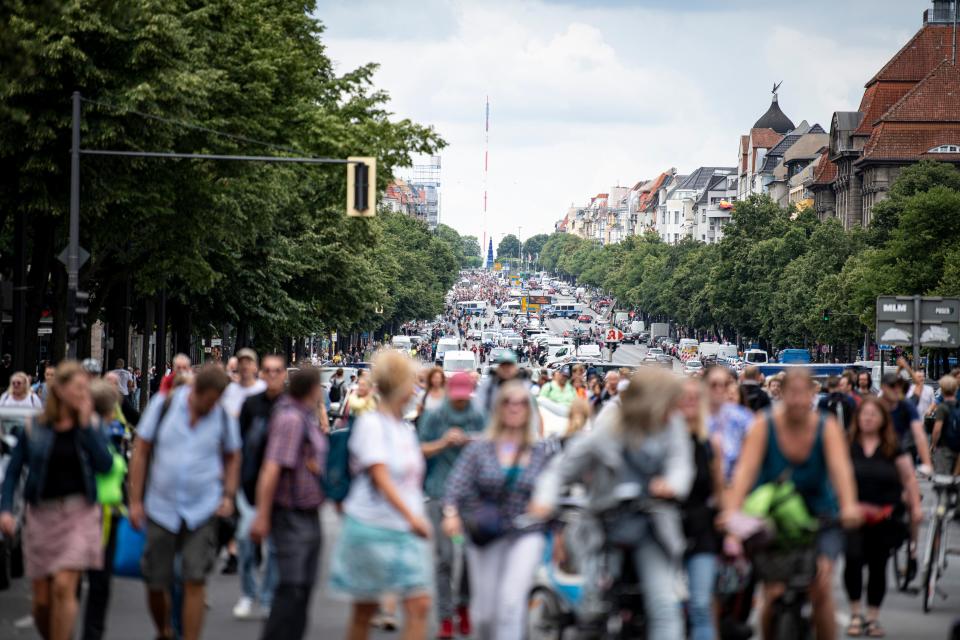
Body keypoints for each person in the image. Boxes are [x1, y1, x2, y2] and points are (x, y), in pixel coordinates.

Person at [531, 369, 693, 640]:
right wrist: (544, 500)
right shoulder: (610, 425)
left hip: (651, 525)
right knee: (594, 603)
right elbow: (562, 469)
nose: (674, 409)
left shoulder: (672, 426)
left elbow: (681, 465)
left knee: (663, 602)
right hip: (606, 522)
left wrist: (672, 486)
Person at [723, 368, 860, 640]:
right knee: (772, 593)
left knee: (820, 590)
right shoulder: (764, 425)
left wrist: (849, 506)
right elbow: (745, 473)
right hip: (774, 518)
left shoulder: (826, 427)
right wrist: (732, 513)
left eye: (803, 394)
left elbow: (841, 471)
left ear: (813, 394)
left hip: (821, 516)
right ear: (781, 393)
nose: (797, 401)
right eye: (791, 394)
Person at [0, 361, 114, 640]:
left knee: (64, 586)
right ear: (60, 390)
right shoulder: (34, 427)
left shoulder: (91, 424)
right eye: (78, 388)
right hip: (41, 515)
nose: (83, 394)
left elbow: (105, 465)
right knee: (42, 602)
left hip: (79, 512)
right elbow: (13, 472)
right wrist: (5, 510)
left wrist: (87, 427)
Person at [127, 364, 241, 640]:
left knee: (194, 578)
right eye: (210, 400)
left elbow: (233, 455)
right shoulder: (163, 405)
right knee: (156, 581)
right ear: (196, 392)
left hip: (202, 509)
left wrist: (227, 495)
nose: (213, 406)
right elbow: (141, 451)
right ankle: (164, 629)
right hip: (161, 507)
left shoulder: (222, 416)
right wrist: (135, 500)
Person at [329, 350, 432, 640]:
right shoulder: (372, 425)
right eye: (411, 383)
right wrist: (413, 517)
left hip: (403, 531)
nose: (414, 390)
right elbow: (380, 475)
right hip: (371, 527)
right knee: (364, 612)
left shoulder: (404, 429)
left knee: (419, 604)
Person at [444, 380, 555, 640]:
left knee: (511, 605)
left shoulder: (541, 451)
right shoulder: (480, 448)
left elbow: (554, 488)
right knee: (484, 614)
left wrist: (545, 505)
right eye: (508, 402)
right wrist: (451, 515)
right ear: (498, 408)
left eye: (521, 403)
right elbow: (455, 486)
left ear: (529, 410)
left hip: (527, 532)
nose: (514, 408)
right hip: (487, 530)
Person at [249, 366, 328, 639]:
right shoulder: (291, 419)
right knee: (291, 588)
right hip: (291, 513)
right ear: (312, 389)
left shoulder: (305, 417)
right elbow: (272, 468)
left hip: (309, 511)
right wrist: (262, 515)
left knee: (303, 588)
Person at [843, 396, 922, 638]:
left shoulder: (892, 446)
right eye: (864, 414)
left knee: (879, 567)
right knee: (853, 562)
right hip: (854, 515)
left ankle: (873, 617)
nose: (867, 418)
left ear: (882, 420)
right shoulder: (847, 444)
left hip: (885, 516)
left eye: (873, 414)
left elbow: (908, 478)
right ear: (857, 418)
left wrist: (915, 505)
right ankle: (856, 613)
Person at [419, 372, 486, 638]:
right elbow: (421, 447)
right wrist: (444, 441)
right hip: (440, 491)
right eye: (455, 398)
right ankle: (445, 615)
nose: (459, 403)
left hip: (470, 495)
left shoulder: (478, 415)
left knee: (470, 555)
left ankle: (464, 606)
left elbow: (490, 444)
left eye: (463, 399)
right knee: (445, 557)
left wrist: (469, 440)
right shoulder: (436, 415)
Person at [231, 354, 287, 620]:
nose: (272, 375)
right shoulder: (250, 404)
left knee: (275, 547)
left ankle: (267, 597)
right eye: (268, 371)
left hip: (280, 488)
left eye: (277, 370)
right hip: (250, 485)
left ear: (284, 374)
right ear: (262, 374)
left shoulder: (289, 406)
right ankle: (248, 593)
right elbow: (237, 446)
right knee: (245, 540)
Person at [83, 379, 128, 640]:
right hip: (99, 513)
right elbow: (107, 464)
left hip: (102, 512)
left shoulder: (95, 429)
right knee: (99, 580)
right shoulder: (97, 432)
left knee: (90, 579)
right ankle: (92, 633)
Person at [705, 366, 754, 483]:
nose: (719, 389)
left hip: (736, 480)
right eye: (714, 385)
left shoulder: (743, 417)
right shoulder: (696, 416)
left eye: (724, 385)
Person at [879, 372, 932, 470]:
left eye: (899, 387)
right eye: (892, 386)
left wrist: (927, 463)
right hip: (879, 453)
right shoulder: (876, 405)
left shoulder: (907, 405)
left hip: (902, 450)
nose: (895, 390)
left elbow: (919, 433)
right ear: (883, 388)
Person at [221, 348, 267, 418]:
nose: (245, 366)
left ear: (256, 367)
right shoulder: (229, 390)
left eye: (248, 363)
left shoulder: (263, 389)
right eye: (241, 363)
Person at [474, 350, 520, 417]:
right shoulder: (488, 386)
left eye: (509, 366)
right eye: (503, 366)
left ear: (515, 368)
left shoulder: (522, 385)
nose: (507, 369)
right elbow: (478, 407)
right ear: (499, 367)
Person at [931, 374, 960, 475]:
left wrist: (934, 445)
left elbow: (937, 429)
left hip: (944, 447)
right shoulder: (957, 406)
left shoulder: (943, 407)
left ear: (942, 389)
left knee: (943, 479)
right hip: (957, 446)